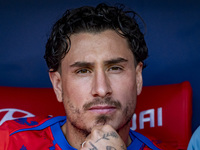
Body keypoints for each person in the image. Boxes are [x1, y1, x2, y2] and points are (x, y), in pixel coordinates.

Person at [0, 3, 170, 150]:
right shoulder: (8, 141)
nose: (102, 89)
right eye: (83, 71)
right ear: (58, 85)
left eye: (115, 68)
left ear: (138, 78)